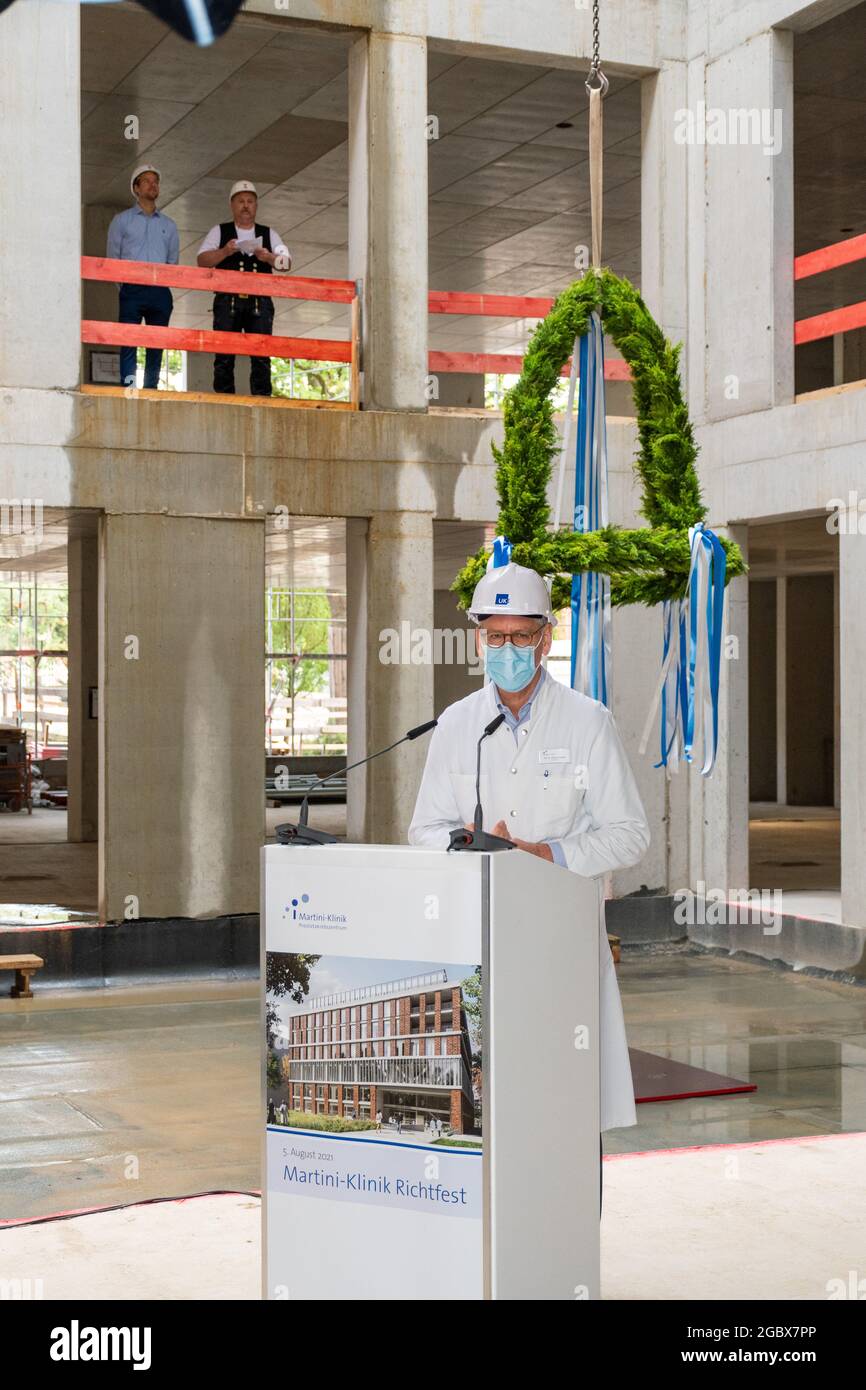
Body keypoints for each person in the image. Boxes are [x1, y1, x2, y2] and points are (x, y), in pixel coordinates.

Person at [408, 561, 650, 1215]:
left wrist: (548, 853)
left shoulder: (587, 722)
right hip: (478, 945)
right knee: (485, 1104)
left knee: (563, 1107)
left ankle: (566, 1252)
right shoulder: (457, 724)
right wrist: (465, 845)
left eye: (523, 638)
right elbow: (422, 829)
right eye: (497, 638)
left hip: (558, 946)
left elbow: (629, 835)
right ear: (479, 639)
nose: (509, 651)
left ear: (546, 639)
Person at [196, 180, 292, 396]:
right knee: (224, 354)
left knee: (261, 355)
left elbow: (286, 263)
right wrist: (224, 252)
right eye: (241, 201)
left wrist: (268, 257)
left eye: (250, 201)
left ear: (256, 206)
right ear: (232, 205)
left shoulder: (269, 233)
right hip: (227, 301)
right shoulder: (219, 231)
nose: (245, 206)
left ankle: (261, 399)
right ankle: (224, 399)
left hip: (260, 302)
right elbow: (202, 260)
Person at [107, 164, 179, 390]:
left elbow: (173, 262)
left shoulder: (169, 225)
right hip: (132, 289)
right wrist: (126, 286)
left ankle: (151, 388)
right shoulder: (122, 220)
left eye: (155, 181)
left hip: (160, 291)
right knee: (128, 339)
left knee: (156, 343)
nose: (153, 185)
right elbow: (113, 258)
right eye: (146, 181)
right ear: (136, 188)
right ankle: (128, 387)